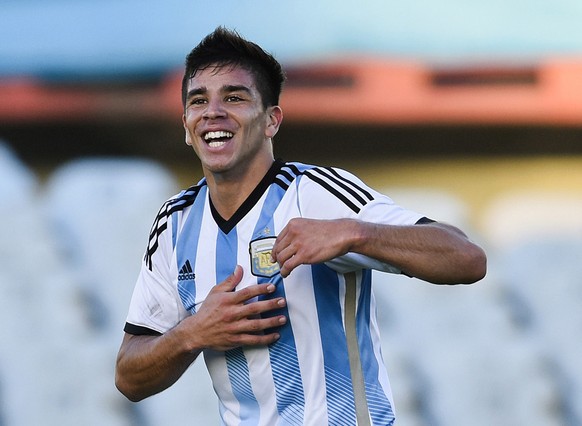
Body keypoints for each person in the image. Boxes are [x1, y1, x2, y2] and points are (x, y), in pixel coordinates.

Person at [115, 26, 487, 426]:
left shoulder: (314, 193)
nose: (213, 112)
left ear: (271, 120)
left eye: (235, 97)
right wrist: (193, 333)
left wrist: (354, 232)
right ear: (187, 125)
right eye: (198, 101)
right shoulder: (176, 222)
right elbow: (128, 377)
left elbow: (467, 259)